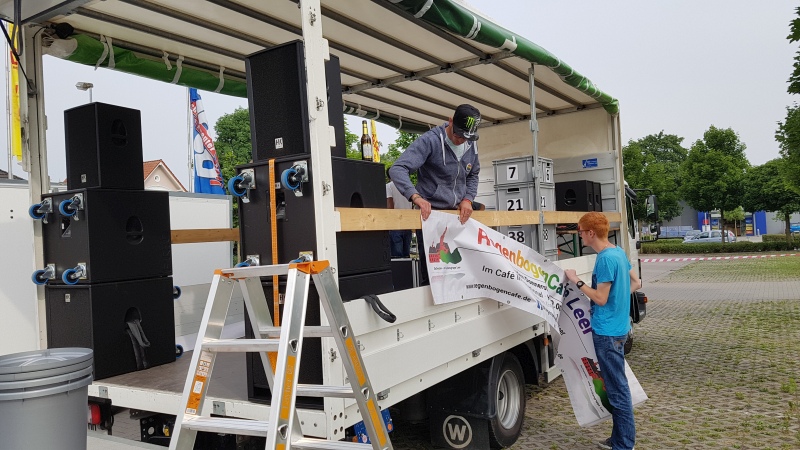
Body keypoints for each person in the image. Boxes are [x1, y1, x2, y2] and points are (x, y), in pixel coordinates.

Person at [564, 212, 641, 450]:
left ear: (590, 233)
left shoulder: (605, 259)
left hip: (606, 334)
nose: (579, 235)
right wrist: (617, 302)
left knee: (617, 392)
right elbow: (636, 283)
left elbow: (600, 297)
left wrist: (576, 281)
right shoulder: (617, 252)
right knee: (617, 388)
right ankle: (618, 439)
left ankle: (624, 445)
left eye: (580, 231)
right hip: (619, 329)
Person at [388, 104, 482, 284]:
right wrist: (416, 197)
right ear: (451, 121)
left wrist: (468, 199)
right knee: (433, 277)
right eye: (458, 134)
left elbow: (473, 174)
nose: (461, 140)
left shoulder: (471, 144)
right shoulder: (430, 141)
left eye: (466, 137)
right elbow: (397, 169)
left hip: (457, 217)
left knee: (459, 273)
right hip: (431, 217)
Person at [386, 166, 413, 258]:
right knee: (406, 256)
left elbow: (390, 206)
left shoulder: (388, 186)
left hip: (395, 225)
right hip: (408, 224)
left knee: (396, 258)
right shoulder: (409, 186)